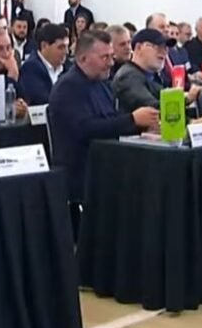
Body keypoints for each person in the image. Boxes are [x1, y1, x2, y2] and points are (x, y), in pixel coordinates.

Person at [48, 30, 158, 231]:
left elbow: (112, 119)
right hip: (82, 172)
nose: (110, 63)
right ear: (83, 59)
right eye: (104, 58)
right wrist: (132, 119)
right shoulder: (68, 88)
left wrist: (142, 125)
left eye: (112, 57)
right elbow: (85, 129)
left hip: (108, 164)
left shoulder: (102, 84)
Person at [113, 29, 202, 114]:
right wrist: (187, 100)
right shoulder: (129, 77)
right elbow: (153, 108)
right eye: (158, 47)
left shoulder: (150, 76)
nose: (164, 52)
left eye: (165, 48)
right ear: (139, 47)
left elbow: (165, 100)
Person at [20, 23, 69, 105]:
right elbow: (42, 100)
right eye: (61, 47)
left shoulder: (67, 67)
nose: (66, 52)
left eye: (67, 46)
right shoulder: (31, 68)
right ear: (44, 46)